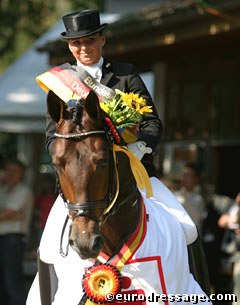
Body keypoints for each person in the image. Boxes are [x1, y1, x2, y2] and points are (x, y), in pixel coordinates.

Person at [27, 9, 210, 305]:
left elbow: (152, 123)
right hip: (81, 184)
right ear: (69, 47)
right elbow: (52, 138)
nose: (83, 48)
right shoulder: (60, 83)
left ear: (101, 39)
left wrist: (139, 147)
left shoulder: (125, 74)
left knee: (186, 225)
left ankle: (199, 292)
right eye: (76, 44)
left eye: (89, 41)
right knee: (48, 245)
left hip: (135, 175)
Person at [0, 159, 33, 305]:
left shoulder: (24, 191)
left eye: (14, 171)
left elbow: (5, 214)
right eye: (8, 170)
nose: (10, 174)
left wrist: (7, 214)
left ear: (22, 174)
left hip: (13, 240)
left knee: (11, 281)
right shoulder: (3, 190)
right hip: (5, 239)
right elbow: (7, 214)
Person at [174, 161, 206, 235]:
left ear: (196, 178)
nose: (184, 178)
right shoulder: (174, 196)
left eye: (188, 175)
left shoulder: (200, 199)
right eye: (183, 175)